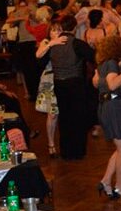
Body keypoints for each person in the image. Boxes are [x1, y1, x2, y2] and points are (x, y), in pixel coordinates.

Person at [36, 16, 96, 160]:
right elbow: (94, 57)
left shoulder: (53, 44)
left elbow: (40, 60)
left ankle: (66, 151)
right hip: (75, 84)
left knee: (64, 118)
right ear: (74, 28)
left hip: (58, 84)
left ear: (62, 29)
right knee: (78, 117)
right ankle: (78, 151)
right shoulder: (77, 43)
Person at [93, 34, 121, 201]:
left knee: (120, 148)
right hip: (116, 106)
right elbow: (112, 85)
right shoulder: (111, 64)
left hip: (106, 106)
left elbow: (95, 83)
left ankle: (105, 182)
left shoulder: (102, 65)